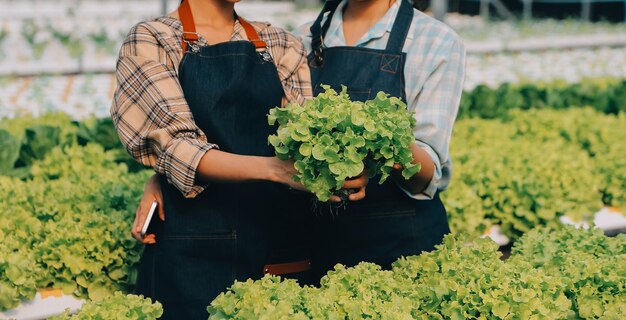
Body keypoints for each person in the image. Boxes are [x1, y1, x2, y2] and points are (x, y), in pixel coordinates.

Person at [110, 0, 324, 318]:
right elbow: (178, 149)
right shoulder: (152, 39)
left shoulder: (280, 43)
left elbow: (307, 145)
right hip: (191, 257)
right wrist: (277, 170)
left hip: (277, 246)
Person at [297, 0, 466, 281]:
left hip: (402, 246)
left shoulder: (436, 40)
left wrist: (384, 143)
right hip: (318, 242)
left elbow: (426, 175)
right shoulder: (302, 39)